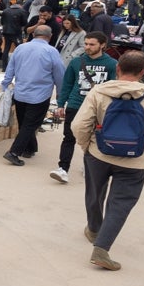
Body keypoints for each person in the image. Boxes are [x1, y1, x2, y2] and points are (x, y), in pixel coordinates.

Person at [72, 50, 144, 270]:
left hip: (98, 154)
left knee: (95, 193)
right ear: (143, 71)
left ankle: (93, 229)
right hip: (134, 162)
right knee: (120, 204)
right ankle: (101, 249)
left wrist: (87, 146)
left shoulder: (99, 92)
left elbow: (78, 126)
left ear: (118, 69)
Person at [50, 31, 117, 184]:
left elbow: (114, 87)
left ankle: (89, 166)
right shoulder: (76, 62)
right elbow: (67, 84)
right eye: (86, 44)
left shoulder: (112, 64)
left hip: (99, 108)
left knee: (94, 139)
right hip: (75, 104)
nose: (87, 47)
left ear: (102, 45)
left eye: (92, 44)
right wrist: (61, 104)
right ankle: (63, 169)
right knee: (69, 137)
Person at [0, 25, 66, 166]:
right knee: (30, 125)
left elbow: (10, 68)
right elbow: (59, 74)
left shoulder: (20, 48)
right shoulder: (51, 51)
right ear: (50, 36)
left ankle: (30, 148)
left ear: (34, 34)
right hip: (39, 95)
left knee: (25, 123)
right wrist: (61, 94)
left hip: (20, 92)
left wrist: (5, 85)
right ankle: (14, 152)